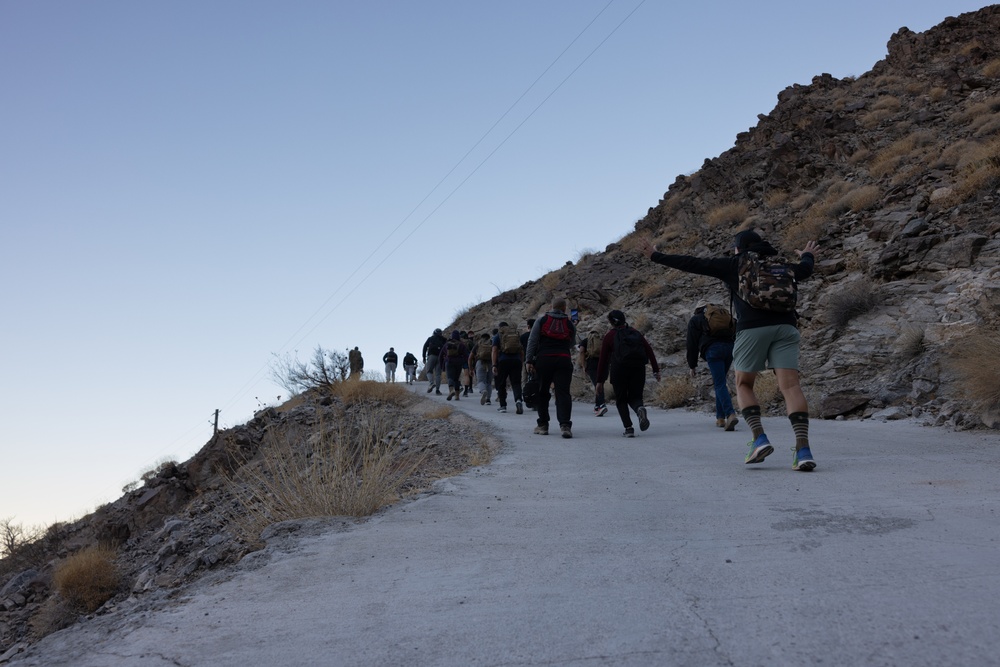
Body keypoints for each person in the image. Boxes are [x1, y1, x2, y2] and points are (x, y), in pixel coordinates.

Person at [641, 230, 819, 471]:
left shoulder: (735, 264)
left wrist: (656, 255)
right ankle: (803, 450)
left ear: (739, 248)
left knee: (744, 384)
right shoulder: (782, 265)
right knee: (790, 387)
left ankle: (759, 438)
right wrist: (808, 255)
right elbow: (805, 270)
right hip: (786, 327)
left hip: (752, 329)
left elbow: (693, 263)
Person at [595, 310, 661, 437]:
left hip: (619, 370)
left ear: (611, 322)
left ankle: (629, 428)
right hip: (638, 369)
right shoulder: (636, 333)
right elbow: (649, 350)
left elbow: (603, 360)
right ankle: (639, 409)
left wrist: (600, 381)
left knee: (621, 400)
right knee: (636, 397)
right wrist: (655, 370)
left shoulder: (610, 336)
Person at [525, 297, 577, 438]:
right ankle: (565, 425)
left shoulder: (541, 320)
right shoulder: (569, 323)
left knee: (542, 392)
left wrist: (528, 360)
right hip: (563, 360)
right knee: (563, 393)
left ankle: (543, 425)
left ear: (551, 307)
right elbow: (572, 343)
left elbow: (532, 340)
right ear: (564, 308)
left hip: (544, 360)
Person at [686, 302, 739, 430]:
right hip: (730, 348)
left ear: (697, 309)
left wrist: (692, 365)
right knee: (720, 381)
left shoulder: (695, 320)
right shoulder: (723, 315)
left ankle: (730, 413)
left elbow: (691, 344)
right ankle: (720, 418)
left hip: (713, 350)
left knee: (719, 383)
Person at [492, 322, 524, 414]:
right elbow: (521, 351)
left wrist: (494, 364)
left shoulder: (498, 335)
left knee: (501, 383)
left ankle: (503, 406)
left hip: (503, 361)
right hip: (516, 361)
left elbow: (494, 350)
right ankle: (518, 400)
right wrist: (520, 362)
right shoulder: (516, 334)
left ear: (500, 328)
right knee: (516, 383)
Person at [579, 327, 608, 417]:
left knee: (597, 384)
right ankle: (597, 406)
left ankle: (601, 405)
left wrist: (584, 366)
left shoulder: (586, 340)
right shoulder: (603, 339)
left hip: (592, 365)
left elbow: (581, 352)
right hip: (603, 364)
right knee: (600, 384)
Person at [441, 330, 468, 401]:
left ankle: (451, 390)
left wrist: (442, 366)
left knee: (450, 377)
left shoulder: (447, 344)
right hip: (458, 363)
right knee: (456, 379)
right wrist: (464, 362)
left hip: (449, 362)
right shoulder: (461, 344)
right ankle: (457, 396)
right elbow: (466, 355)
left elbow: (441, 355)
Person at [470, 332, 494, 405]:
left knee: (481, 381)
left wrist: (471, 368)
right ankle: (488, 400)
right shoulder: (492, 343)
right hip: (490, 363)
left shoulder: (478, 344)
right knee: (489, 382)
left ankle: (483, 391)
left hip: (480, 362)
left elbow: (470, 357)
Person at [422, 328, 447, 395]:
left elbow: (424, 347)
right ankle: (437, 390)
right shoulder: (444, 339)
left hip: (431, 356)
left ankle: (431, 383)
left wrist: (424, 357)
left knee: (429, 371)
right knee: (438, 374)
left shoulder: (430, 338)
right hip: (440, 357)